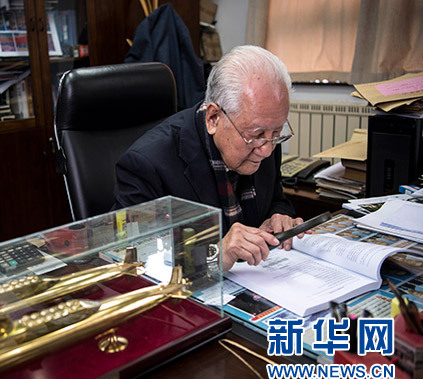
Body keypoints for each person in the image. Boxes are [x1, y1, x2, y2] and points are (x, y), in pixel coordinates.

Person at [113, 45, 305, 270]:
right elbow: (129, 258)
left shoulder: (265, 139)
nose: (267, 150)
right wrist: (216, 254)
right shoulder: (147, 165)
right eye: (255, 135)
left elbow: (276, 199)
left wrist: (278, 216)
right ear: (213, 118)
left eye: (277, 133)